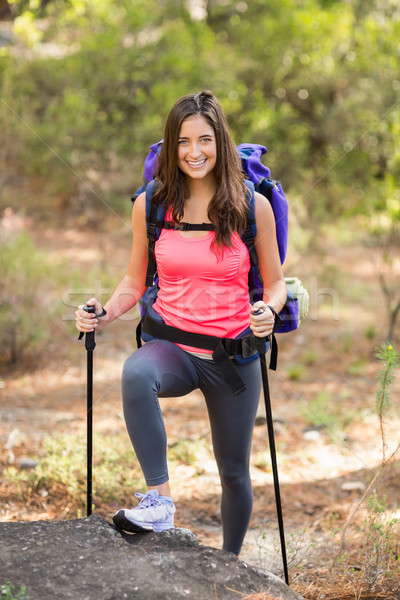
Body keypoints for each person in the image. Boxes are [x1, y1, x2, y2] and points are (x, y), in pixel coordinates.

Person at [75, 90, 286, 556]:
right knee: (135, 371)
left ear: (221, 143)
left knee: (233, 471)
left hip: (232, 355)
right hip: (172, 347)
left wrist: (268, 311)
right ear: (171, 147)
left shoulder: (253, 207)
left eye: (205, 140)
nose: (194, 152)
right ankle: (160, 501)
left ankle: (230, 565)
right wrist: (104, 314)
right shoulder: (151, 204)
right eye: (184, 141)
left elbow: (275, 284)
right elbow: (135, 280)